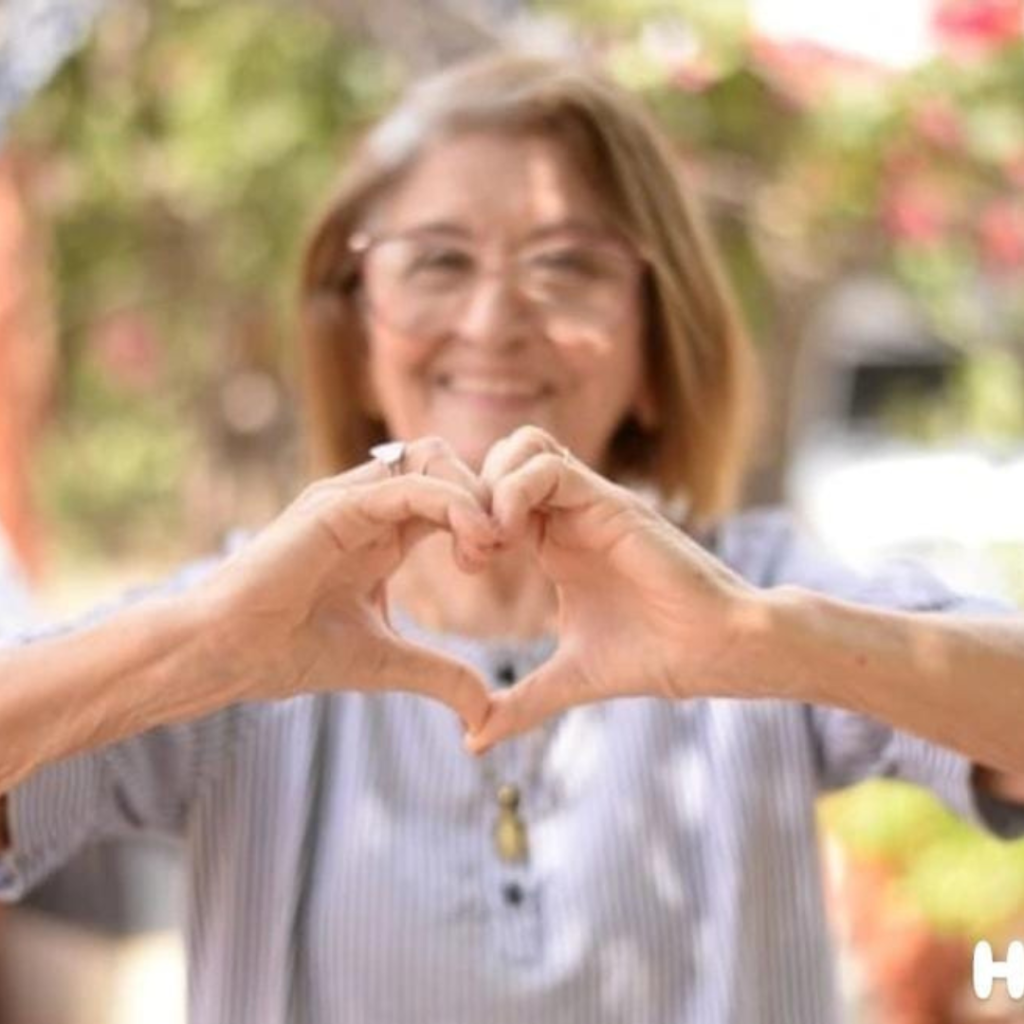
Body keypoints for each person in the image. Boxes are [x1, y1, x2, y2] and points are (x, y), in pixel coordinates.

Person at [1, 52, 1023, 1024]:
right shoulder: (246, 628)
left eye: (567, 266)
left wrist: (761, 640)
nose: (494, 320)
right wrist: (199, 647)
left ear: (655, 348)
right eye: (437, 261)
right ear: (354, 340)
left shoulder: (750, 590)